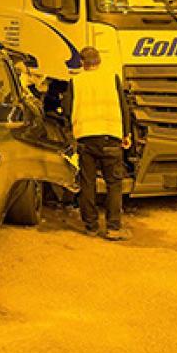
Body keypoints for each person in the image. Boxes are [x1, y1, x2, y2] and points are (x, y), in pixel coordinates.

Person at [70, 46, 130, 241]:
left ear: (82, 63)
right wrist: (126, 134)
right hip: (111, 137)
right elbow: (123, 107)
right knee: (114, 184)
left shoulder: (75, 81)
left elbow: (66, 107)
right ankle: (113, 228)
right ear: (99, 61)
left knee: (87, 183)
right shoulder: (112, 78)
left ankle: (91, 226)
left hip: (86, 138)